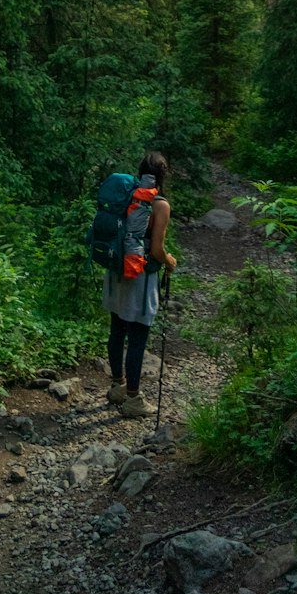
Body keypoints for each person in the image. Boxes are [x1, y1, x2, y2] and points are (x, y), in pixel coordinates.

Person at [102, 150, 177, 417]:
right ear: (162, 175)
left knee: (116, 330)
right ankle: (133, 400)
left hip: (117, 269)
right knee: (137, 339)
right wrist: (169, 261)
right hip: (140, 276)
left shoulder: (127, 193)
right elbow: (156, 249)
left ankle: (118, 386)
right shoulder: (160, 204)